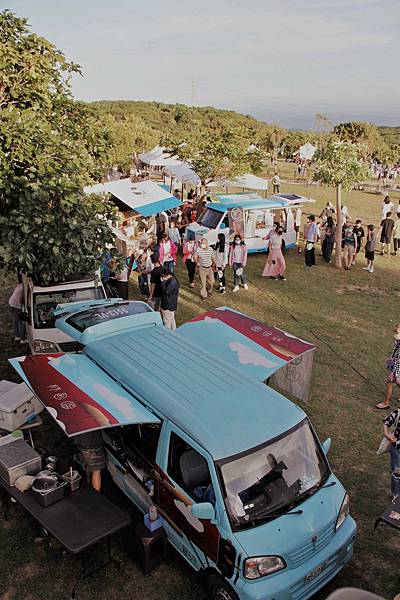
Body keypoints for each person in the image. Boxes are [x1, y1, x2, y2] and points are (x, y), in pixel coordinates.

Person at [376, 324, 400, 410]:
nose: (395, 334)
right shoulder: (397, 341)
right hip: (396, 365)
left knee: (390, 382)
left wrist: (395, 370)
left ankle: (386, 403)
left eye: (397, 332)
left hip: (398, 367)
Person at [382, 408, 400, 499]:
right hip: (397, 450)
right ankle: (396, 495)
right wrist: (387, 435)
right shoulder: (398, 412)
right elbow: (386, 422)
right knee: (397, 473)